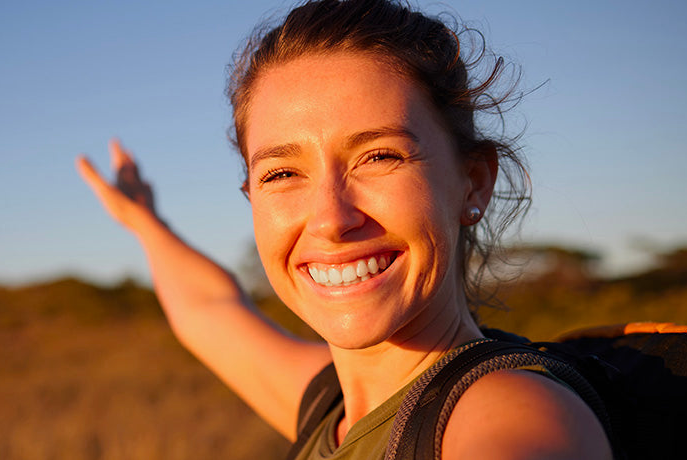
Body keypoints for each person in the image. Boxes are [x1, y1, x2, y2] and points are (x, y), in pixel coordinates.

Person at [76, 0, 611, 458]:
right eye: (283, 173)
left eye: (378, 156)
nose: (332, 218)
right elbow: (209, 312)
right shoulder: (332, 407)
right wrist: (145, 224)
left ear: (472, 182)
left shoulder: (509, 418)